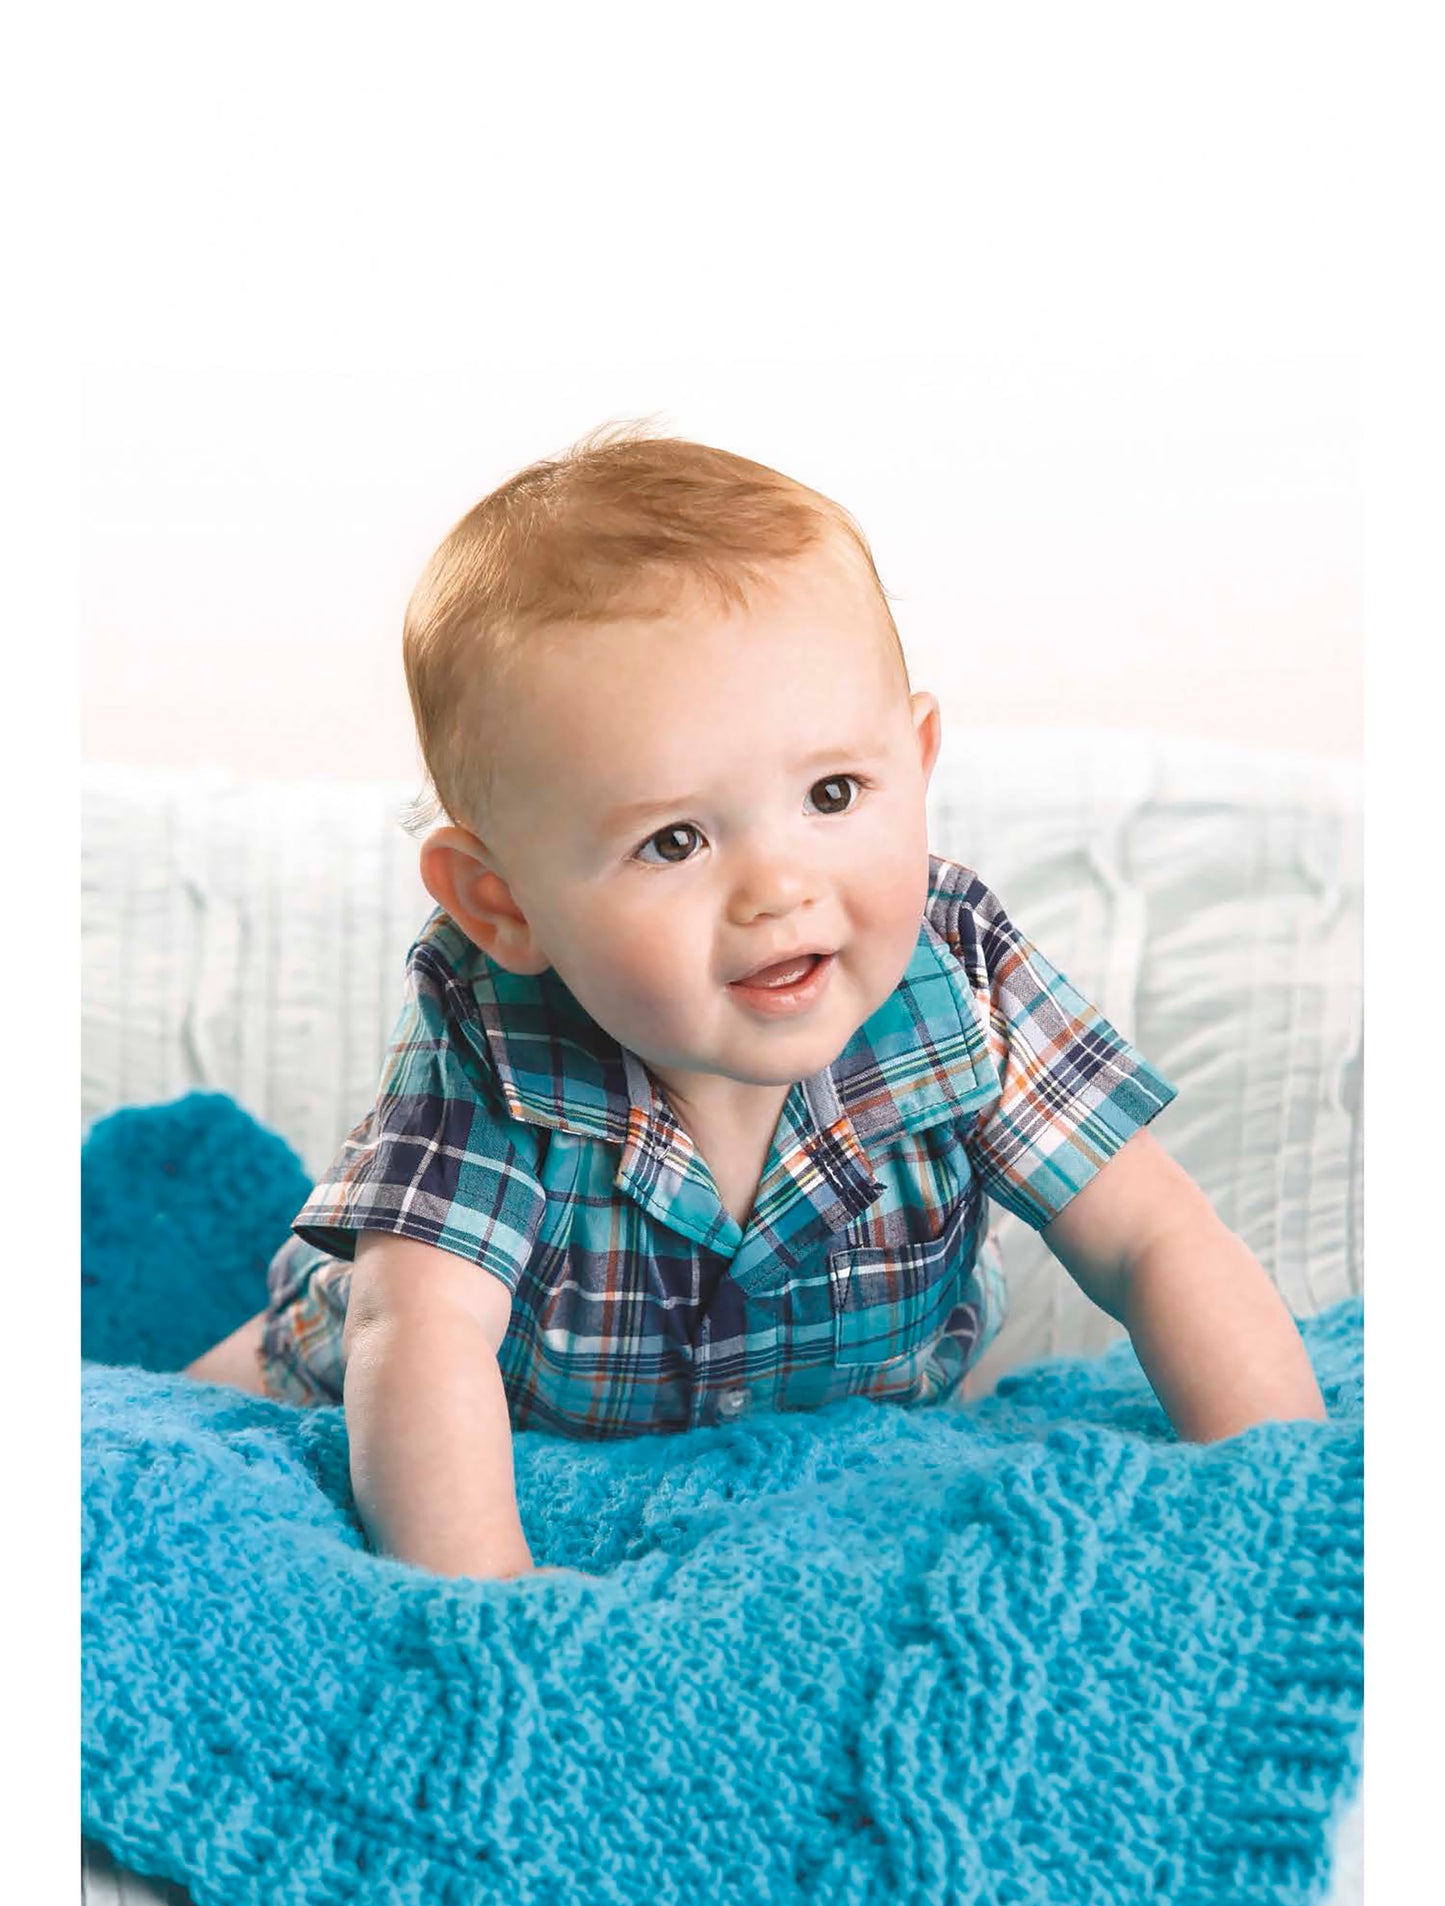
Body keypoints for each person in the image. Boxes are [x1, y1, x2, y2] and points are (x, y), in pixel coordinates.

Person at [185, 419, 1326, 1578]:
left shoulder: (954, 975)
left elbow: (1151, 1239)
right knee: (198, 1445)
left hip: (839, 1424)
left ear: (916, 762)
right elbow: (417, 1336)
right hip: (422, 1396)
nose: (778, 887)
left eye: (833, 791)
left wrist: (1277, 1486)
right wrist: (489, 1613)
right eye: (672, 839)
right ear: (502, 904)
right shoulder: (486, 1027)